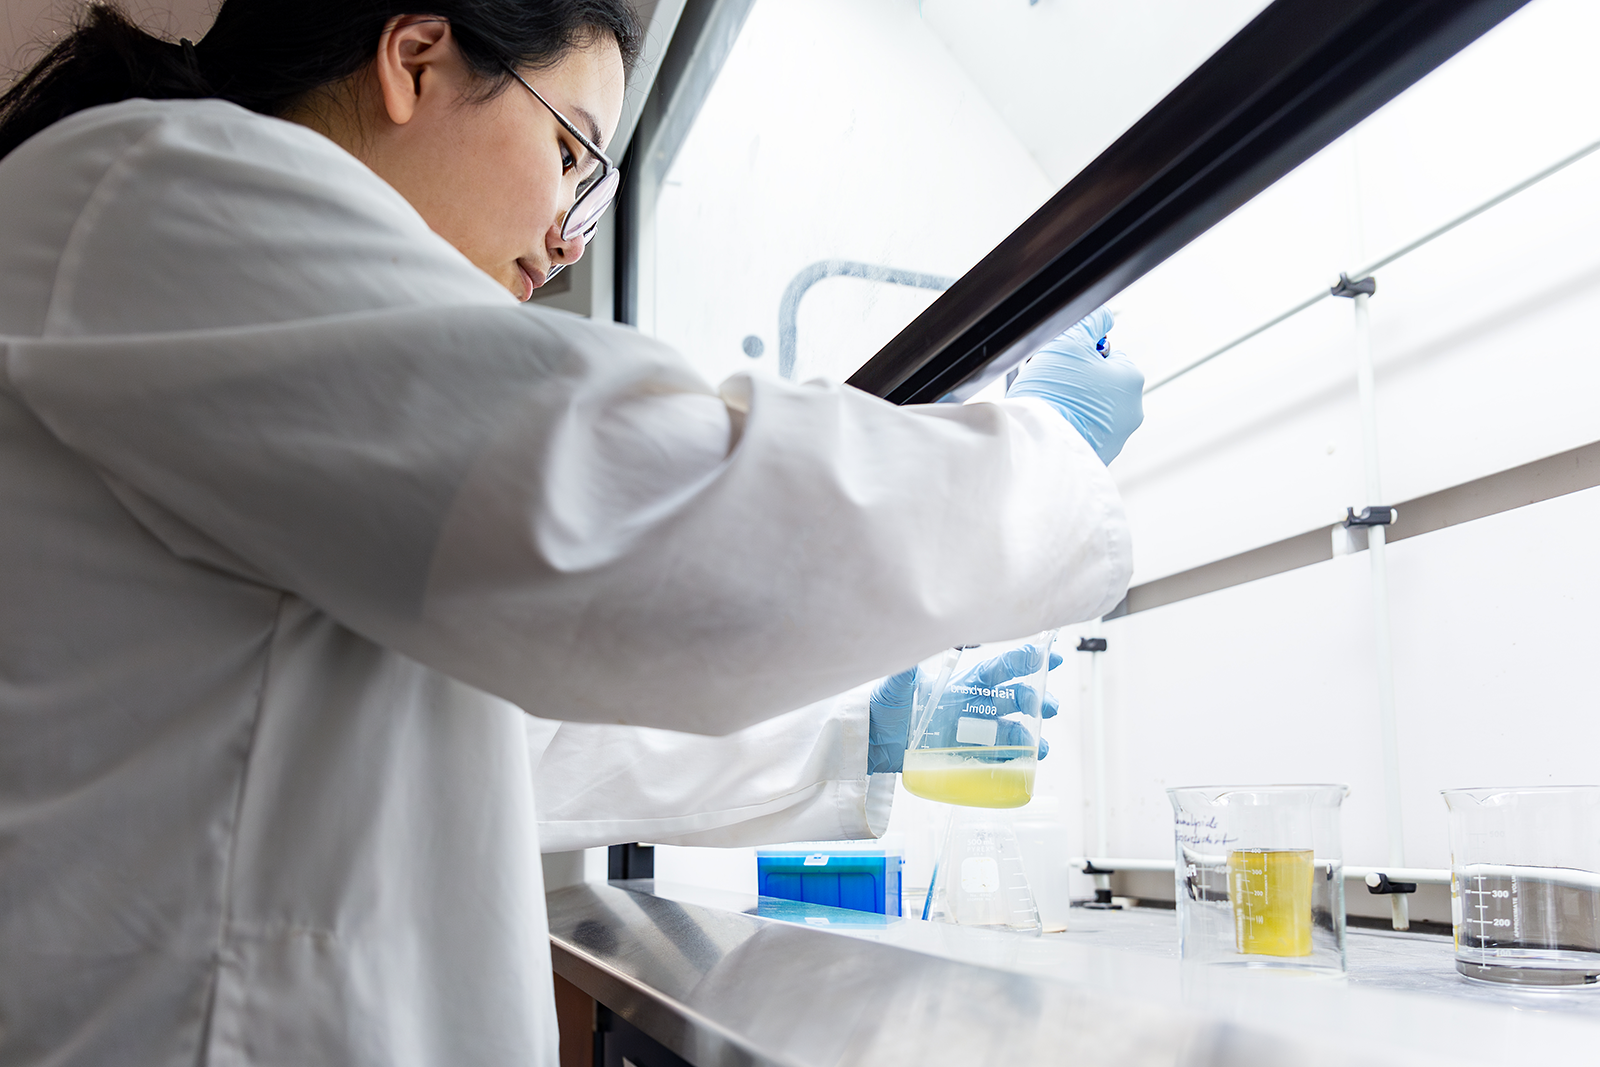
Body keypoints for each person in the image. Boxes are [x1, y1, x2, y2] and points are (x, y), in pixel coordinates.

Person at [0, 1, 1144, 1064]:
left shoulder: (208, 272)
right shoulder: (168, 194)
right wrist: (1041, 452)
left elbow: (504, 735)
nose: (565, 241)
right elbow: (622, 509)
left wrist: (858, 736)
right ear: (414, 60)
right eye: (569, 155)